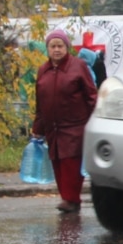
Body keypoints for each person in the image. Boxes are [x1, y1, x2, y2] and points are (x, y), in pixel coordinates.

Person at [32, 29, 98, 212]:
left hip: (75, 126)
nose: (56, 50)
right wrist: (37, 127)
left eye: (60, 46)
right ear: (47, 49)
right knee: (57, 161)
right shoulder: (43, 70)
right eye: (52, 46)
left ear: (67, 47)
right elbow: (39, 101)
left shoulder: (78, 67)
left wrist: (96, 120)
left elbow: (91, 95)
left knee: (71, 163)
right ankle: (68, 198)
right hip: (52, 127)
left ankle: (71, 199)